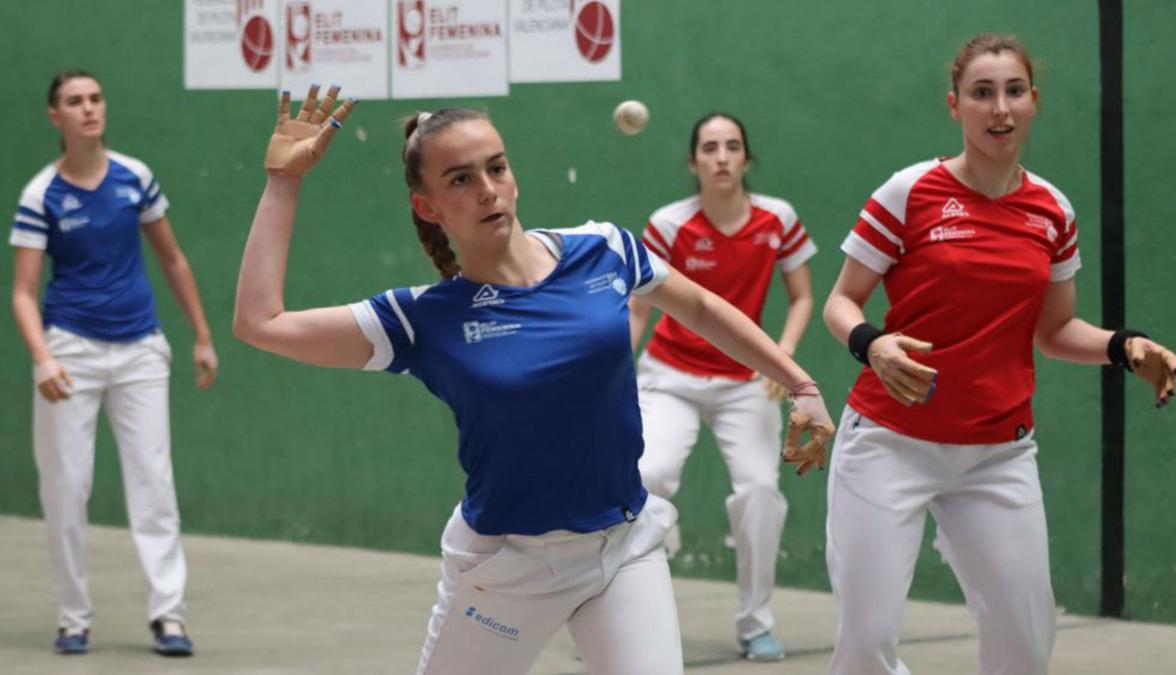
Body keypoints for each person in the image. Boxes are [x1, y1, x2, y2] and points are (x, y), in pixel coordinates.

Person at [232, 86, 834, 675]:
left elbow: (700, 308)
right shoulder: (420, 319)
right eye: (461, 179)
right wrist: (284, 182)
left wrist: (801, 384)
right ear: (428, 206)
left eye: (496, 168)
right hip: (508, 567)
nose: (488, 190)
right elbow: (260, 322)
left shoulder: (603, 251)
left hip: (623, 548)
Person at [820, 33, 1176, 675]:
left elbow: (1055, 329)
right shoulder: (909, 193)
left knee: (1025, 641)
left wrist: (1125, 347)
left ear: (1034, 101)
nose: (999, 108)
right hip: (889, 440)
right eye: (981, 93)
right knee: (866, 644)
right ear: (954, 104)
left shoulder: (1051, 210)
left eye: (1014, 91)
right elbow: (840, 303)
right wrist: (871, 344)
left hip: (997, 454)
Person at [10, 70, 219, 657]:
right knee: (66, 487)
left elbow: (173, 261)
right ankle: (73, 616)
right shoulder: (40, 195)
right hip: (69, 354)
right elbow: (24, 293)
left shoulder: (135, 178)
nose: (88, 109)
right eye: (75, 102)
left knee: (154, 483)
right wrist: (43, 358)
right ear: (56, 117)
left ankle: (169, 617)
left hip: (140, 351)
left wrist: (202, 335)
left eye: (96, 98)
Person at [627, 112, 817, 662]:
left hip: (744, 382)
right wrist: (615, 370)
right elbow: (640, 308)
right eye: (709, 148)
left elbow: (803, 296)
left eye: (732, 146)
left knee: (760, 492)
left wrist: (780, 360)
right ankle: (624, 608)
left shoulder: (777, 219)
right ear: (694, 163)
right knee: (647, 475)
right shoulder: (668, 224)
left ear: (746, 159)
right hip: (669, 376)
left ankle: (756, 624)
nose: (721, 157)